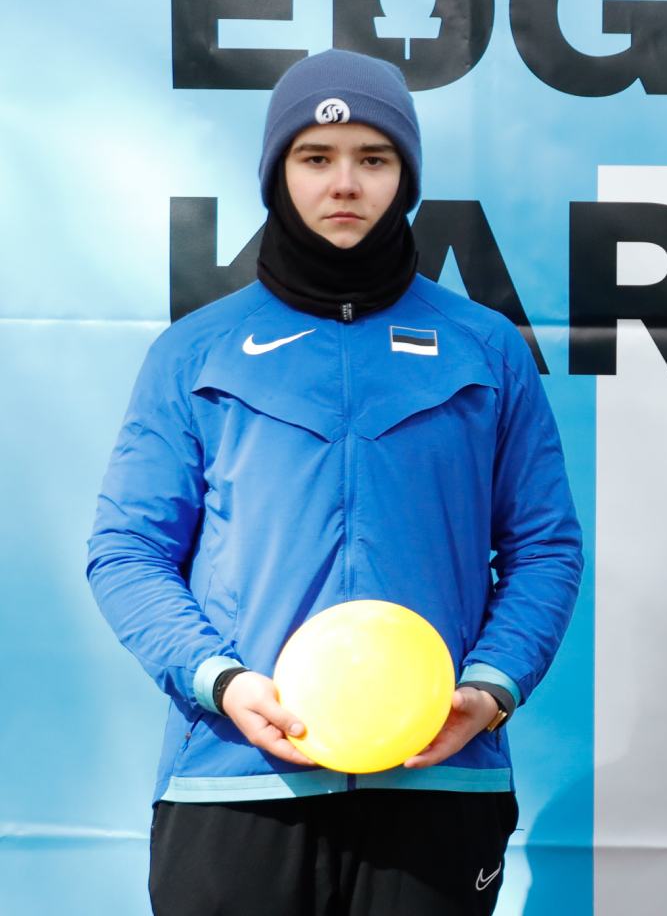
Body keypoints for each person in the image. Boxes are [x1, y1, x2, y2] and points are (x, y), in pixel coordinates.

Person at [87, 50, 583, 916]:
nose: (345, 183)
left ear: (407, 178)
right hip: (234, 780)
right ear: (278, 175)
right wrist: (221, 681)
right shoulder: (196, 350)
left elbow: (545, 548)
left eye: (373, 158)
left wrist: (491, 685)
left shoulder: (485, 347)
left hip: (438, 778)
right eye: (316, 157)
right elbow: (126, 552)